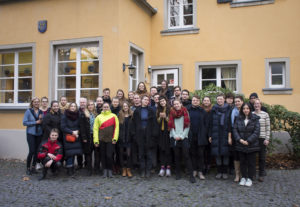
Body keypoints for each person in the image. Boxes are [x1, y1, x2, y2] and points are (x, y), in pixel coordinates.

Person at [233, 103, 260, 187]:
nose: (245, 110)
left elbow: (256, 132)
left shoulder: (255, 119)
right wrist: (240, 140)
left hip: (251, 145)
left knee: (251, 162)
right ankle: (244, 177)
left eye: (247, 108)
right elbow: (235, 130)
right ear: (242, 110)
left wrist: (248, 141)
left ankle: (250, 178)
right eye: (244, 108)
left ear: (250, 109)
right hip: (240, 144)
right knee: (243, 162)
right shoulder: (238, 118)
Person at [168, 99, 195, 183]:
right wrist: (175, 136)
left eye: (177, 104)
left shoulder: (185, 112)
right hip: (175, 137)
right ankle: (178, 173)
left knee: (186, 156)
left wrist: (182, 136)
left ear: (181, 104)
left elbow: (187, 126)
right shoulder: (171, 113)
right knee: (177, 156)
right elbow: (170, 126)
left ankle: (191, 175)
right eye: (174, 104)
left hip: (184, 137)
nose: (176, 105)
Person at [131, 95, 158, 178]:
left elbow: (154, 124)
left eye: (147, 100)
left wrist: (154, 135)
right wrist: (134, 135)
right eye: (145, 99)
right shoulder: (137, 111)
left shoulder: (151, 110)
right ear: (141, 100)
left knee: (149, 154)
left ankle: (148, 170)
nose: (146, 101)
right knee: (141, 154)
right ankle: (142, 170)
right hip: (140, 134)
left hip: (149, 134)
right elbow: (134, 124)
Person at [209, 94, 232, 180]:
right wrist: (210, 135)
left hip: (225, 134)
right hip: (216, 133)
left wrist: (230, 136)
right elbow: (210, 123)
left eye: (221, 99)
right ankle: (219, 172)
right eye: (218, 99)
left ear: (224, 100)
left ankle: (225, 172)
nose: (219, 101)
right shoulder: (213, 110)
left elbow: (230, 124)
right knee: (217, 153)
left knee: (225, 153)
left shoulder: (229, 109)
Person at [93, 102, 119, 178]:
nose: (106, 108)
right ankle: (104, 170)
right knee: (103, 156)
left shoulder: (114, 116)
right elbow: (95, 129)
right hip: (101, 140)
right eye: (104, 107)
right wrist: (96, 141)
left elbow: (116, 128)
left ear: (109, 108)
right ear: (102, 108)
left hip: (111, 140)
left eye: (107, 107)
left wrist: (115, 138)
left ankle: (110, 170)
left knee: (109, 155)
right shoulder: (98, 117)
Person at [187, 95, 208, 180]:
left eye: (197, 100)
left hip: (201, 136)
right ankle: (194, 170)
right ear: (192, 101)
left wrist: (205, 134)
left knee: (201, 154)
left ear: (199, 102)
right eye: (194, 100)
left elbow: (206, 124)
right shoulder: (188, 110)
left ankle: (200, 172)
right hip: (191, 135)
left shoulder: (203, 111)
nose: (195, 101)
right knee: (192, 154)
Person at [23, 97, 43, 175]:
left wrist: (42, 120)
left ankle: (33, 167)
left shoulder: (41, 112)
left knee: (36, 152)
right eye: (35, 102)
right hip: (31, 133)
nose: (37, 103)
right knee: (31, 151)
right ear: (32, 103)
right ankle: (28, 168)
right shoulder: (28, 111)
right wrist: (35, 122)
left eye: (38, 102)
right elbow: (24, 123)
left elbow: (41, 122)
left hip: (39, 134)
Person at [61, 102, 82, 176]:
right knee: (69, 153)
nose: (73, 107)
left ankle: (72, 168)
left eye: (74, 106)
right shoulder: (65, 115)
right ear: (69, 107)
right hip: (68, 137)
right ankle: (69, 170)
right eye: (71, 106)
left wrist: (78, 131)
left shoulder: (78, 115)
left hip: (76, 136)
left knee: (74, 152)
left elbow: (81, 125)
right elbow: (63, 127)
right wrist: (72, 132)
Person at [253, 98, 270, 182]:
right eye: (255, 104)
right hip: (253, 139)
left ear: (260, 105)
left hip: (262, 138)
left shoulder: (265, 114)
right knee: (252, 157)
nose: (256, 105)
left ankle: (261, 174)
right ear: (253, 105)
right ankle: (252, 173)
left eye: (258, 103)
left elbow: (268, 127)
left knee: (262, 158)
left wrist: (267, 138)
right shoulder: (251, 114)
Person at [79, 98, 95, 176]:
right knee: (88, 153)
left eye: (92, 104)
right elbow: (82, 127)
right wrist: (84, 137)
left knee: (96, 152)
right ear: (87, 106)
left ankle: (96, 168)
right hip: (87, 136)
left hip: (95, 136)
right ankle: (89, 169)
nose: (90, 106)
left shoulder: (96, 114)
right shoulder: (84, 114)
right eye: (89, 105)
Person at [156, 96, 172, 177]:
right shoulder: (158, 110)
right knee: (162, 149)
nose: (162, 102)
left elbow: (171, 121)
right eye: (160, 101)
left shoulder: (170, 109)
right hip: (161, 132)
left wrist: (165, 117)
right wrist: (160, 117)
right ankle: (162, 168)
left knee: (168, 150)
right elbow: (157, 122)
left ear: (166, 101)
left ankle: (168, 168)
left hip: (168, 132)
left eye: (163, 101)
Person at [231, 95, 244, 182]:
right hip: (235, 136)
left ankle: (243, 174)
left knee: (243, 156)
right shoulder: (233, 112)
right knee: (236, 156)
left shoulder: (246, 110)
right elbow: (231, 125)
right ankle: (237, 174)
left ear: (242, 102)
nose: (237, 103)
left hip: (244, 136)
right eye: (235, 102)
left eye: (238, 101)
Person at [118, 101, 133, 177]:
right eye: (124, 106)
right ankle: (123, 169)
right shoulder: (120, 115)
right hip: (121, 138)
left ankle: (128, 169)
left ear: (128, 107)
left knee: (128, 155)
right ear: (122, 107)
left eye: (126, 106)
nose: (125, 107)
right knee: (121, 155)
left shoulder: (132, 115)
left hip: (129, 138)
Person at [201, 96, 213, 174]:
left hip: (210, 133)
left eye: (207, 100)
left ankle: (208, 165)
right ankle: (203, 166)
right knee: (202, 151)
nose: (206, 102)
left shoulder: (213, 110)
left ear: (210, 102)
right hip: (202, 133)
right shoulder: (200, 110)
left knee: (208, 151)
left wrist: (210, 135)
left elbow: (212, 124)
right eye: (204, 100)